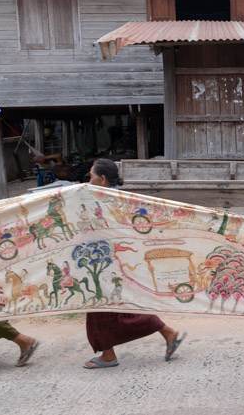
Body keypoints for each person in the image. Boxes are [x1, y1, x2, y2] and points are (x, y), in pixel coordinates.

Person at [83, 158, 186, 369]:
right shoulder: (118, 200)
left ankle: (109, 355)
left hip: (107, 264)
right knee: (118, 308)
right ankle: (167, 333)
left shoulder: (108, 202)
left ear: (102, 179)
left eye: (91, 176)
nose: (88, 180)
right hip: (110, 261)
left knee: (101, 310)